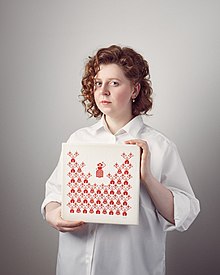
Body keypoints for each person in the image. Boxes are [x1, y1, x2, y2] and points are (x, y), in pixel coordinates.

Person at [41, 45, 200, 275]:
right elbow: (54, 194)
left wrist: (147, 178)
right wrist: (54, 215)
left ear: (135, 89)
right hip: (74, 266)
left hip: (131, 268)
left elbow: (185, 214)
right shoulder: (78, 140)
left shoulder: (159, 146)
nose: (103, 91)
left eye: (114, 83)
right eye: (98, 83)